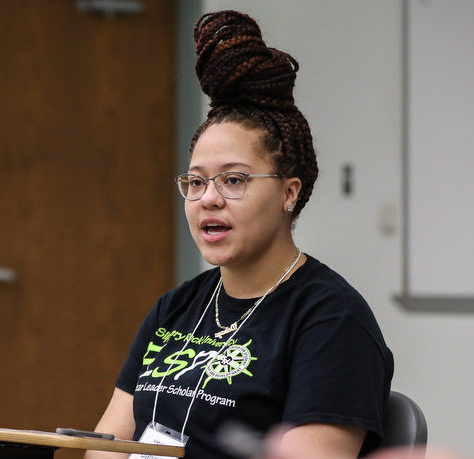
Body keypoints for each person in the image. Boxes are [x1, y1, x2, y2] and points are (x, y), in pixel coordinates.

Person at [85, 10, 393, 459]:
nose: (208, 198)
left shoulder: (331, 320)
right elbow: (105, 447)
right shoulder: (176, 308)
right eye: (195, 181)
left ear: (289, 193)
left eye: (233, 180)